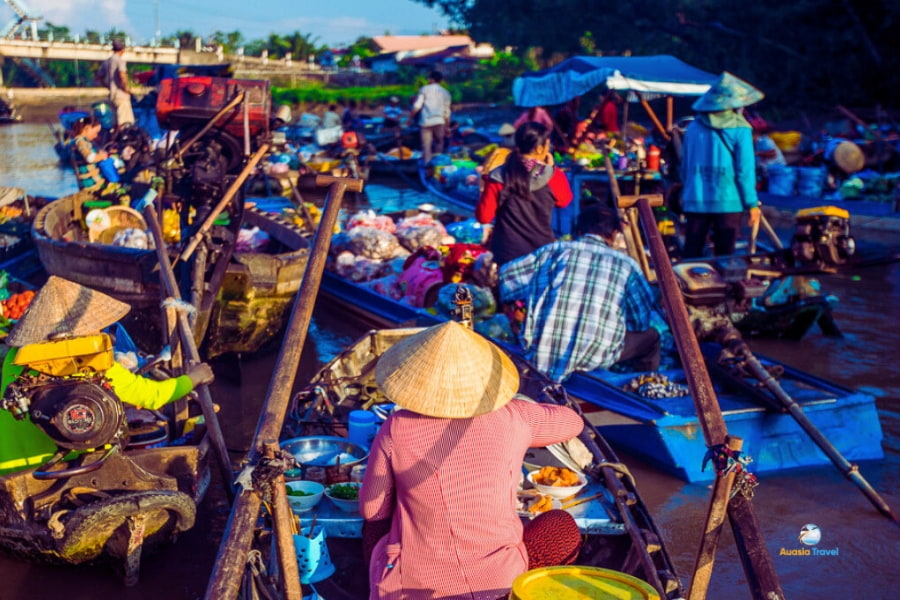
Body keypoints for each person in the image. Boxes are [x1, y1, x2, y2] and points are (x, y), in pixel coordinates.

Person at [360, 321, 584, 599]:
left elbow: (373, 510)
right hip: (499, 582)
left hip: (409, 584)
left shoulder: (396, 425)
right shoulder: (515, 416)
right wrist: (522, 410)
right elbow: (573, 422)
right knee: (561, 526)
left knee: (376, 527)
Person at [0, 276, 215, 475]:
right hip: (61, 471)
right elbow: (155, 395)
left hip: (7, 470)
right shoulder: (93, 360)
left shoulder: (14, 356)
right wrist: (195, 377)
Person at [499, 203, 660, 383]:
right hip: (597, 358)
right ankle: (643, 388)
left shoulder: (553, 251)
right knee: (652, 337)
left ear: (578, 231)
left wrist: (524, 306)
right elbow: (640, 322)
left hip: (542, 355)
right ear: (614, 234)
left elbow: (507, 276)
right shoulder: (627, 265)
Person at [680, 71, 763, 258]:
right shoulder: (741, 129)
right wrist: (751, 204)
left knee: (691, 253)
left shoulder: (693, 127)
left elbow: (684, 166)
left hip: (695, 199)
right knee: (725, 258)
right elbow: (745, 171)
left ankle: (683, 287)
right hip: (728, 201)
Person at [475, 121, 573, 266]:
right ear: (540, 148)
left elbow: (484, 217)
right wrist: (552, 167)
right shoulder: (553, 175)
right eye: (548, 145)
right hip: (541, 253)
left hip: (506, 253)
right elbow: (564, 201)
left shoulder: (497, 176)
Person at [69, 115, 122, 197]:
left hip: (97, 182)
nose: (96, 136)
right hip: (93, 184)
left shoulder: (86, 141)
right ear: (88, 128)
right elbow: (90, 158)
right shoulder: (80, 142)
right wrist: (101, 156)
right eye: (96, 132)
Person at [411, 70, 452, 164]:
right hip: (439, 121)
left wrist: (410, 118)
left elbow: (417, 106)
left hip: (426, 122)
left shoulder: (424, 89)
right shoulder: (445, 92)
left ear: (432, 79)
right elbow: (447, 112)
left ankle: (427, 164)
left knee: (426, 145)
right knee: (439, 142)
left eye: (429, 78)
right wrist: (448, 126)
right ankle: (438, 164)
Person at [100, 38, 135, 129]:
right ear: (122, 49)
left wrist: (108, 86)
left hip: (112, 95)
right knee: (124, 122)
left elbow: (99, 76)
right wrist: (126, 89)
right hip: (121, 95)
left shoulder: (107, 62)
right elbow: (122, 76)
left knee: (115, 122)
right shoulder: (120, 60)